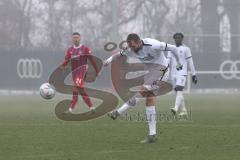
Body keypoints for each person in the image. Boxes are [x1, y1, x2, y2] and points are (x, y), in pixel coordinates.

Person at [103, 33, 182, 143]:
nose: (132, 49)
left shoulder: (153, 44)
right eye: (130, 47)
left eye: (133, 46)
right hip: (150, 73)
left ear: (139, 41)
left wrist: (179, 62)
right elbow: (119, 54)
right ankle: (152, 135)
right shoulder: (130, 48)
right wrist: (108, 60)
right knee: (149, 100)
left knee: (143, 90)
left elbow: (173, 48)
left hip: (162, 70)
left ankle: (118, 112)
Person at [61, 32, 99, 113]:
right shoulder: (70, 50)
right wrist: (61, 67)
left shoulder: (85, 49)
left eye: (77, 37)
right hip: (74, 73)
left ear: (80, 38)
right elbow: (66, 61)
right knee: (81, 91)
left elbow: (92, 60)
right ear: (72, 39)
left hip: (82, 72)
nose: (75, 39)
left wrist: (97, 71)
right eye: (74, 37)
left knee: (75, 89)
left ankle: (71, 109)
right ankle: (91, 107)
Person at [167, 33, 197, 116]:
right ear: (174, 39)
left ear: (182, 39)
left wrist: (194, 74)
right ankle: (184, 110)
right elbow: (168, 61)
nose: (177, 39)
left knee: (179, 89)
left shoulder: (186, 49)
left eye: (179, 38)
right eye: (176, 38)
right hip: (173, 74)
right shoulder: (171, 49)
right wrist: (164, 71)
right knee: (177, 92)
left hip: (182, 73)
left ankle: (175, 108)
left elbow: (190, 62)